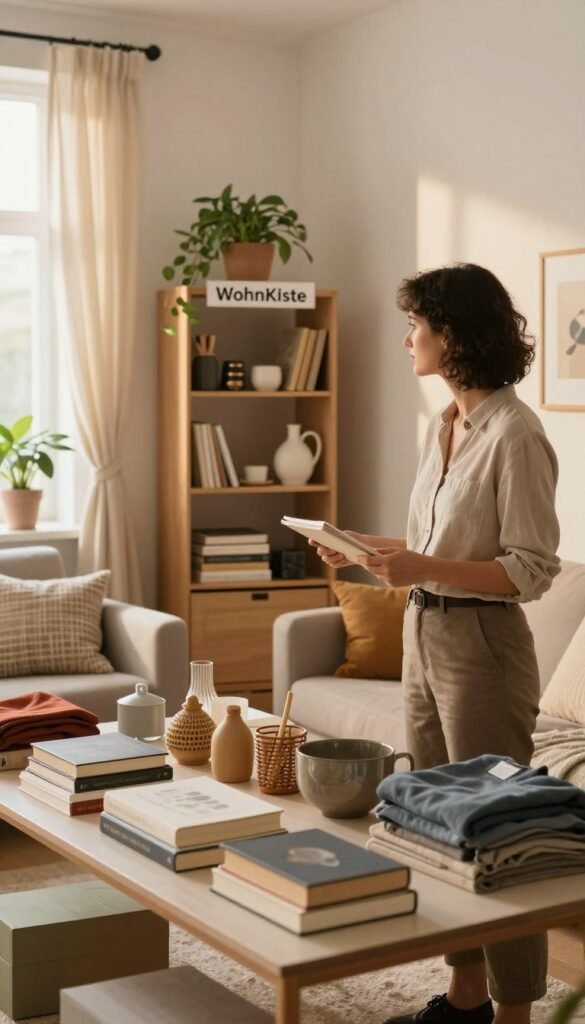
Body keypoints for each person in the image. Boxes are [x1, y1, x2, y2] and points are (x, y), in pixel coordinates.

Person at [310, 263, 560, 1024]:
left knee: (492, 827)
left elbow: (529, 570)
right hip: (422, 631)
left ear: (451, 335)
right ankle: (464, 995)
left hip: (481, 646)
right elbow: (428, 545)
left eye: (415, 325)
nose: (405, 339)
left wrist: (418, 565)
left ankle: (514, 1009)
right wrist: (364, 548)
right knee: (436, 824)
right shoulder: (444, 423)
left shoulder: (515, 435)